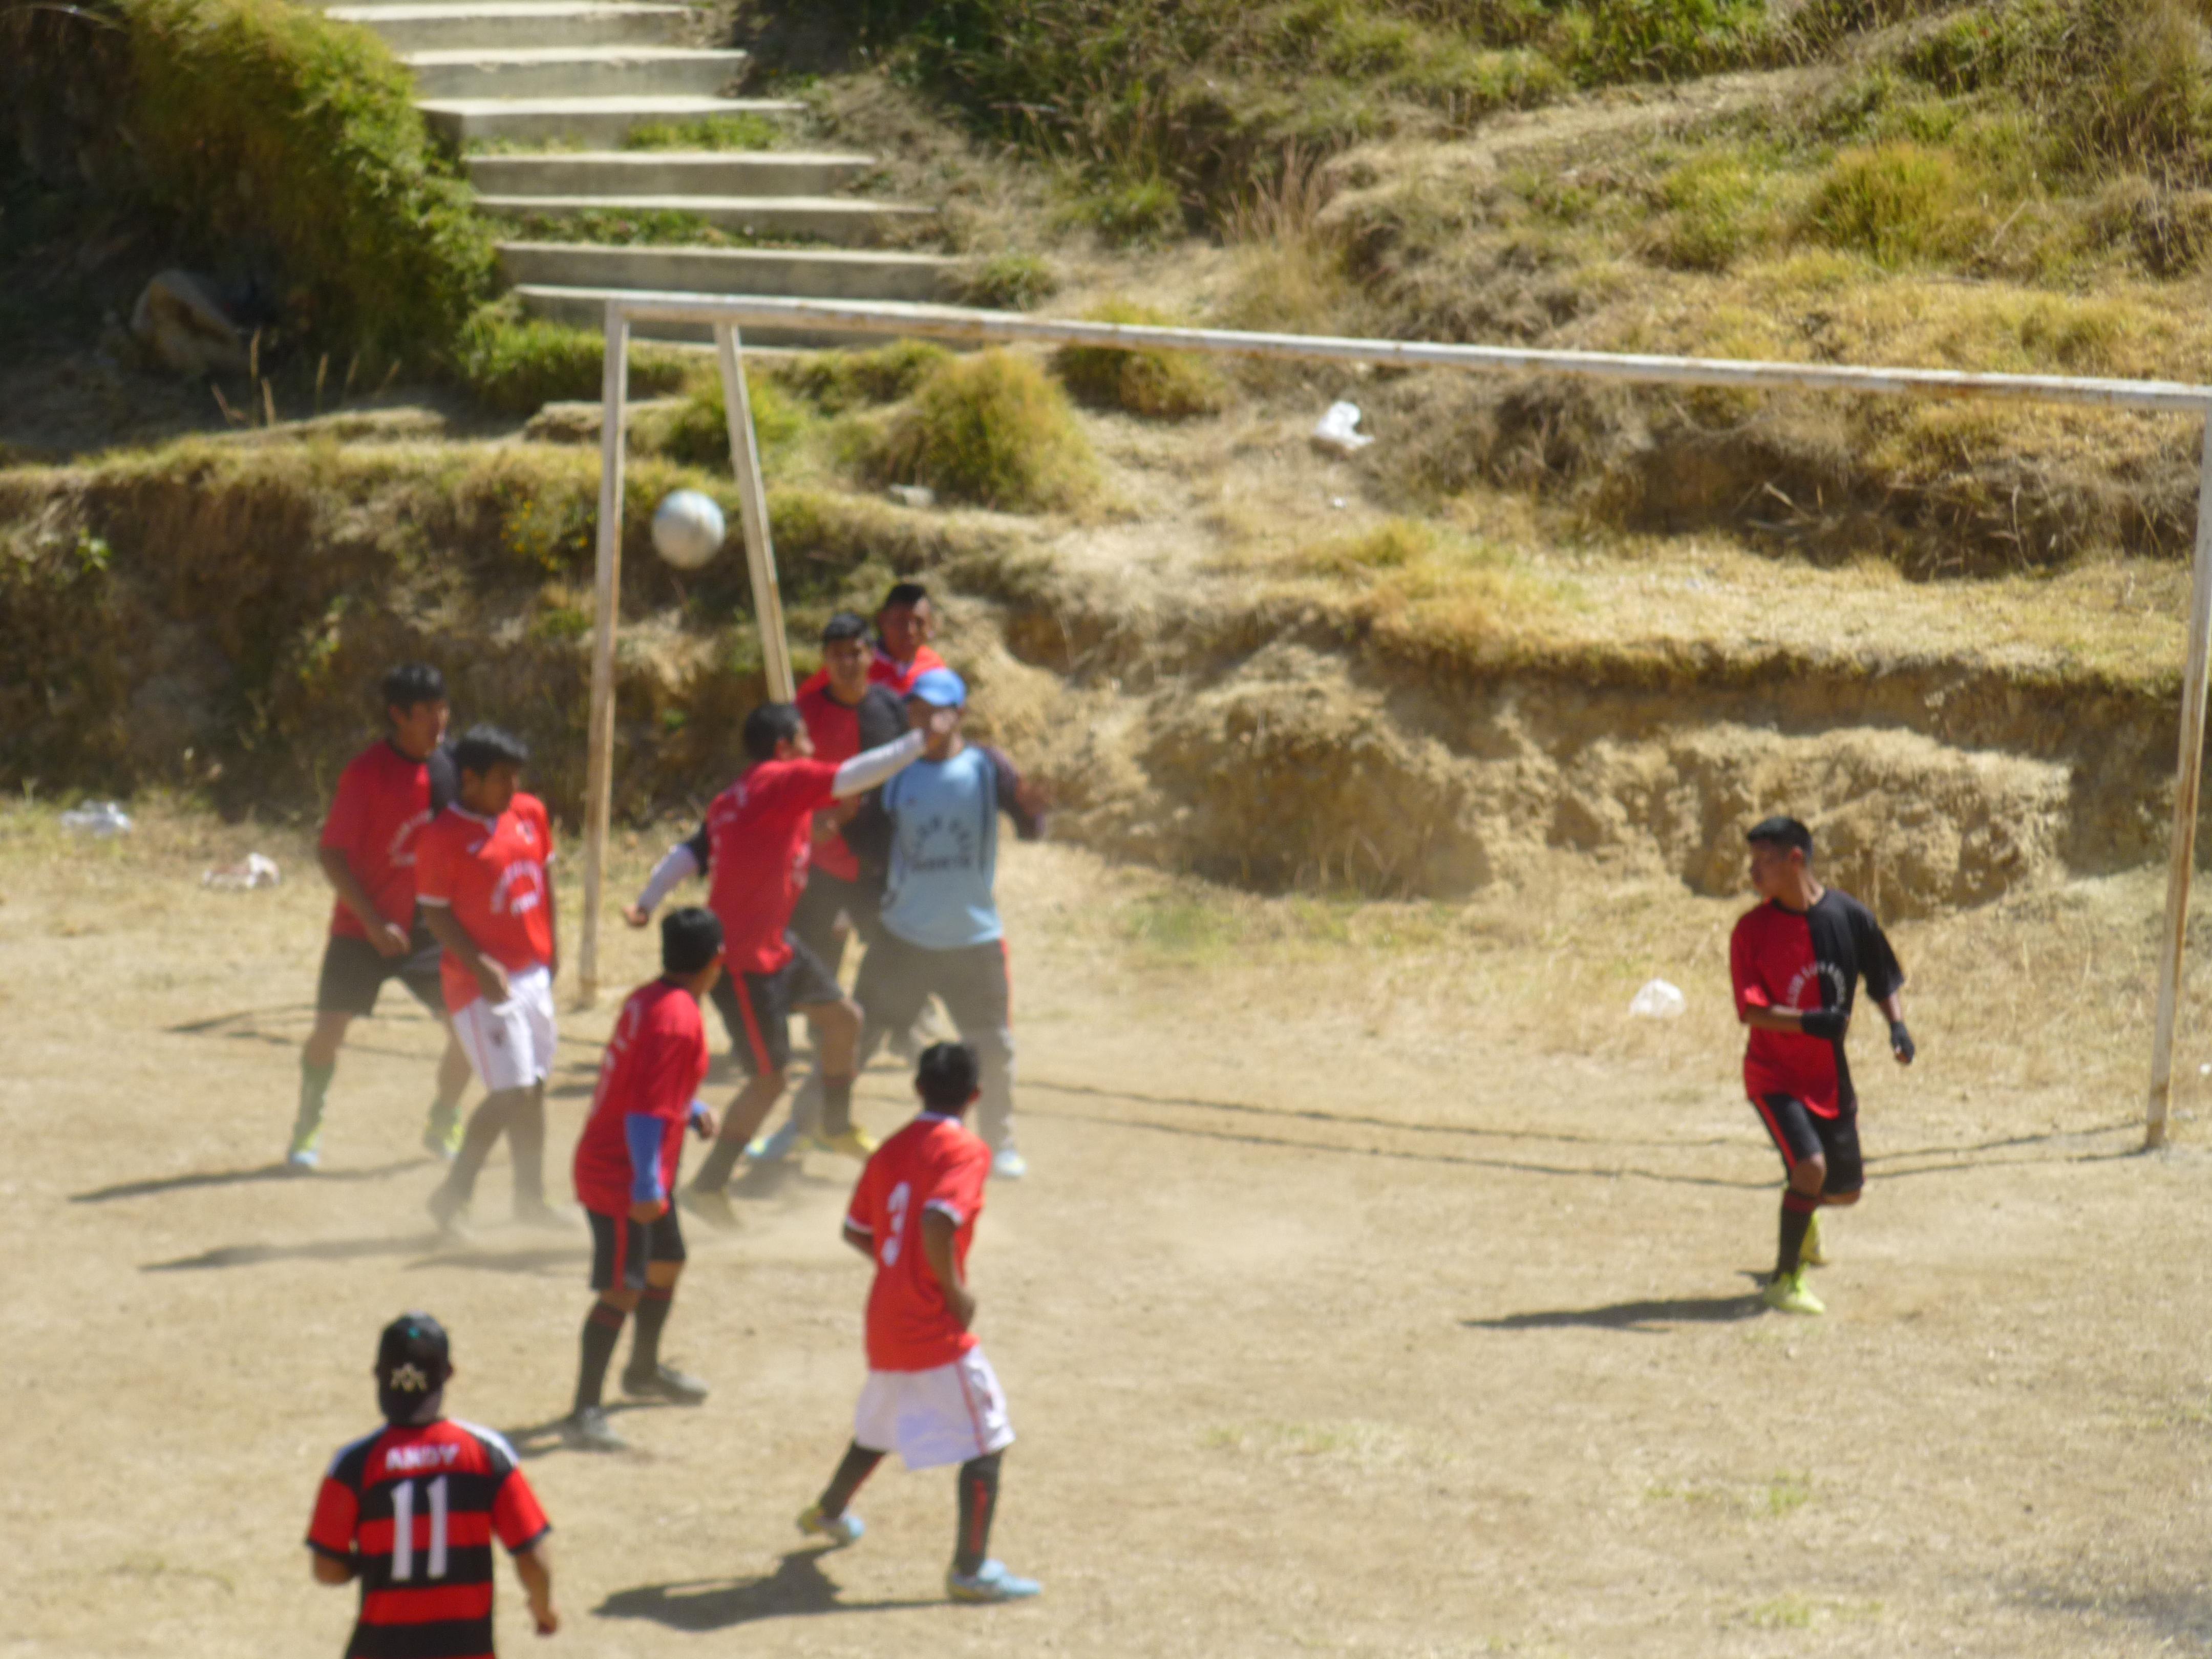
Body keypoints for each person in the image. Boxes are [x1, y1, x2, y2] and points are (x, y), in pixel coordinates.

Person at [623, 701, 948, 1227]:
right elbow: (854, 773)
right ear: (782, 749)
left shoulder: (738, 798)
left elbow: (697, 850)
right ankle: (707, 1187)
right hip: (742, 961)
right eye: (804, 740)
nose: (812, 751)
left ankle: (833, 1125)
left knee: (845, 1020)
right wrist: (918, 742)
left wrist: (647, 897)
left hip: (777, 943)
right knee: (769, 1080)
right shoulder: (779, 780)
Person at [796, 1041, 1040, 1604]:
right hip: (930, 1323)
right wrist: (951, 1290)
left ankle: (828, 1513)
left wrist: (898, 1267)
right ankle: (970, 1572)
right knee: (988, 1442)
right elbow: (937, 1221)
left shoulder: (890, 1149)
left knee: (878, 1429)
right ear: (976, 1096)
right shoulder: (966, 1152)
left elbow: (856, 1230)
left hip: (885, 1314)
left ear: (917, 1089)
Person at [849, 669, 1046, 1180]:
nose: (926, 720)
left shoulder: (986, 766)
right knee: (854, 1037)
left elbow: (1030, 827)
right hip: (903, 938)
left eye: (937, 710)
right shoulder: (895, 770)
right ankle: (810, 1127)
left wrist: (1035, 811)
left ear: (959, 714)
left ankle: (1000, 1145)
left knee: (993, 1047)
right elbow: (867, 846)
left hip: (973, 938)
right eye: (916, 710)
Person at [289, 663, 473, 1172]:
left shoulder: (452, 767)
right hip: (361, 927)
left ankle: (444, 1116)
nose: (439, 721)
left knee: (468, 1032)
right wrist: (370, 922)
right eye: (426, 713)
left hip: (427, 930)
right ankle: (309, 1121)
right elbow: (332, 854)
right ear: (397, 716)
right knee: (329, 1031)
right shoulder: (366, 773)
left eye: (443, 709)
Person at [1729, 816, 1914, 1317]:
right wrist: (1809, 1022)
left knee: (1846, 1192)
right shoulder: (1751, 931)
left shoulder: (1849, 917)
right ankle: (1784, 1281)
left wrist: (1897, 1027)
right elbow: (1750, 1011)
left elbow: (1882, 975)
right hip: (1773, 1077)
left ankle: (1804, 1212)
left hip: (1828, 1077)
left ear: (1795, 860)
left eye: (1763, 862)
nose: (1753, 873)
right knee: (1810, 1168)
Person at [563, 907, 725, 1452]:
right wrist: (647, 1188)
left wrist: (691, 1104)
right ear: (717, 962)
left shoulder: (649, 999)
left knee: (667, 1263)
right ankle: (585, 1410)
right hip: (623, 1175)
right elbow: (641, 1112)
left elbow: (647, 1084)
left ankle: (643, 1371)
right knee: (622, 1288)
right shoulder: (678, 1019)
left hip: (637, 1165)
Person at [305, 1312, 557, 1655]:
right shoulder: (486, 1455)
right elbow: (531, 1555)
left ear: (378, 1375)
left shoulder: (353, 1465)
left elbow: (327, 1569)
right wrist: (542, 1607)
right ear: (449, 1374)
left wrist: (365, 1562)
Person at [416, 727, 564, 1236]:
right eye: (502, 778)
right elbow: (435, 915)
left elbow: (546, 881)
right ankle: (451, 1197)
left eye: (515, 776)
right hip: (481, 987)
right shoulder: (440, 839)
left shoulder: (528, 813)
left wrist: (554, 949)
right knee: (510, 1092)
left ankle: (531, 1200)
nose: (512, 787)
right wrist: (480, 965)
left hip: (533, 976)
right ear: (470, 780)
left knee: (535, 1090)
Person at [797, 581, 947, 699]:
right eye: (900, 622)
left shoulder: (933, 666)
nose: (910, 632)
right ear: (882, 621)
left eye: (919, 623)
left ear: (930, 627)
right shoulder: (855, 661)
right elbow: (805, 704)